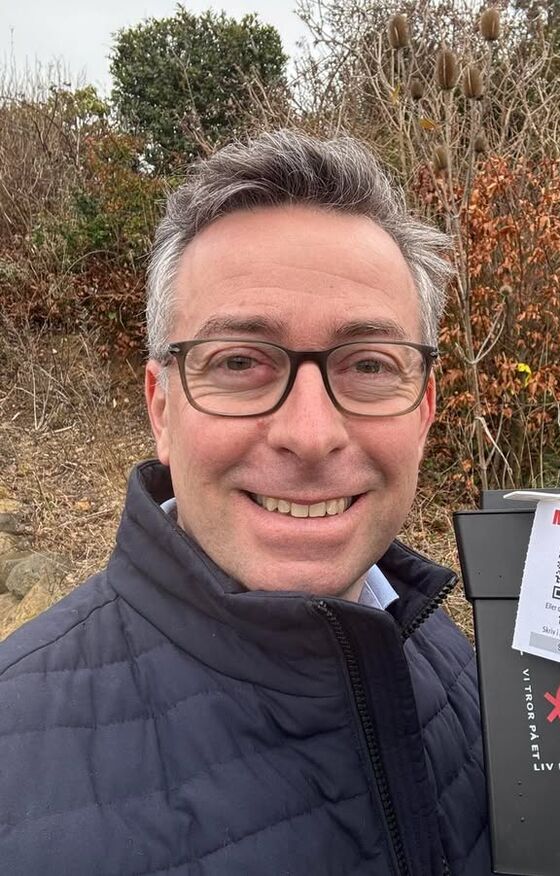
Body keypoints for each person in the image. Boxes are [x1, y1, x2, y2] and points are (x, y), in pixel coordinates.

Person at [0, 131, 490, 875]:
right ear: (161, 409)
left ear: (423, 414)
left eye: (368, 365)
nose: (311, 434)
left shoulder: (454, 657)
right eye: (238, 361)